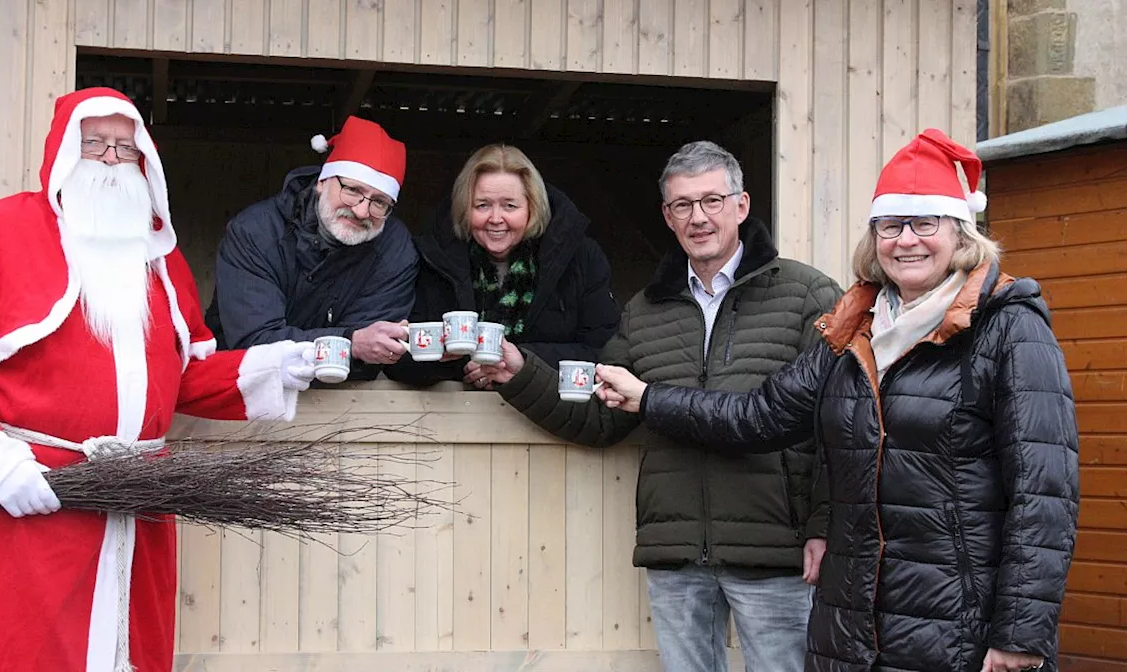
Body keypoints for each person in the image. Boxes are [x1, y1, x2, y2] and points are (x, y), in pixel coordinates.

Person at [596, 129, 1079, 672]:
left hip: (956, 622)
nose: (906, 241)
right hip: (856, 621)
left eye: (925, 223)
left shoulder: (1008, 328)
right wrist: (650, 399)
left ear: (960, 232)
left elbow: (1044, 496)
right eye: (891, 226)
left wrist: (1019, 634)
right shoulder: (854, 329)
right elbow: (759, 417)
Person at [0, 87, 317, 672]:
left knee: (131, 650)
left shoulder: (159, 259)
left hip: (139, 501)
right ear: (66, 153)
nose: (114, 159)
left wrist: (272, 365)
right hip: (37, 497)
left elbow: (182, 379)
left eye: (127, 146)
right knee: (26, 652)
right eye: (96, 145)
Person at [478, 141, 843, 672]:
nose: (699, 218)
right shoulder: (645, 310)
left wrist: (823, 525)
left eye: (712, 201)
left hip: (776, 551)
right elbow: (603, 415)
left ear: (741, 206)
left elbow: (840, 423)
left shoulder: (807, 294)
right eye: (682, 205)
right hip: (675, 549)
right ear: (667, 217)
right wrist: (520, 374)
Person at [384, 143, 619, 387]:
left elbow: (607, 354)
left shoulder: (581, 257)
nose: (496, 219)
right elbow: (396, 363)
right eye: (482, 205)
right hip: (452, 410)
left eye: (510, 206)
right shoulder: (433, 256)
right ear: (465, 208)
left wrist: (525, 362)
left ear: (532, 207)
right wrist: (437, 356)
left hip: (550, 414)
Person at [204, 116, 418, 379]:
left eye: (379, 202)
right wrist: (350, 343)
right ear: (321, 181)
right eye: (352, 190)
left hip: (344, 399)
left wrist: (356, 347)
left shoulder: (395, 249)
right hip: (241, 390)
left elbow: (373, 355)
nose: (362, 211)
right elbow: (256, 342)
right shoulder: (255, 232)